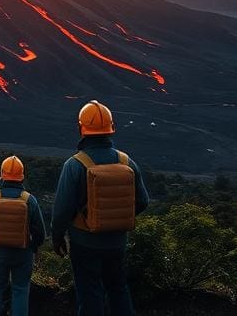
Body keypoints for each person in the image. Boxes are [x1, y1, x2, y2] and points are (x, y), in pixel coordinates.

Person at [51, 100, 150, 316]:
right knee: (118, 289)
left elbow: (62, 210)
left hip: (84, 242)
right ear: (111, 129)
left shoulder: (75, 164)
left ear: (81, 128)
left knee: (89, 293)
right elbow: (143, 201)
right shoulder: (127, 162)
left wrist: (57, 237)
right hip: (117, 242)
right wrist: (117, 218)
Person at [0, 155, 47, 316]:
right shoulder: (30, 200)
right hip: (23, 252)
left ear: (2, 174)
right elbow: (40, 232)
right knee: (21, 289)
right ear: (22, 176)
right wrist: (33, 247)